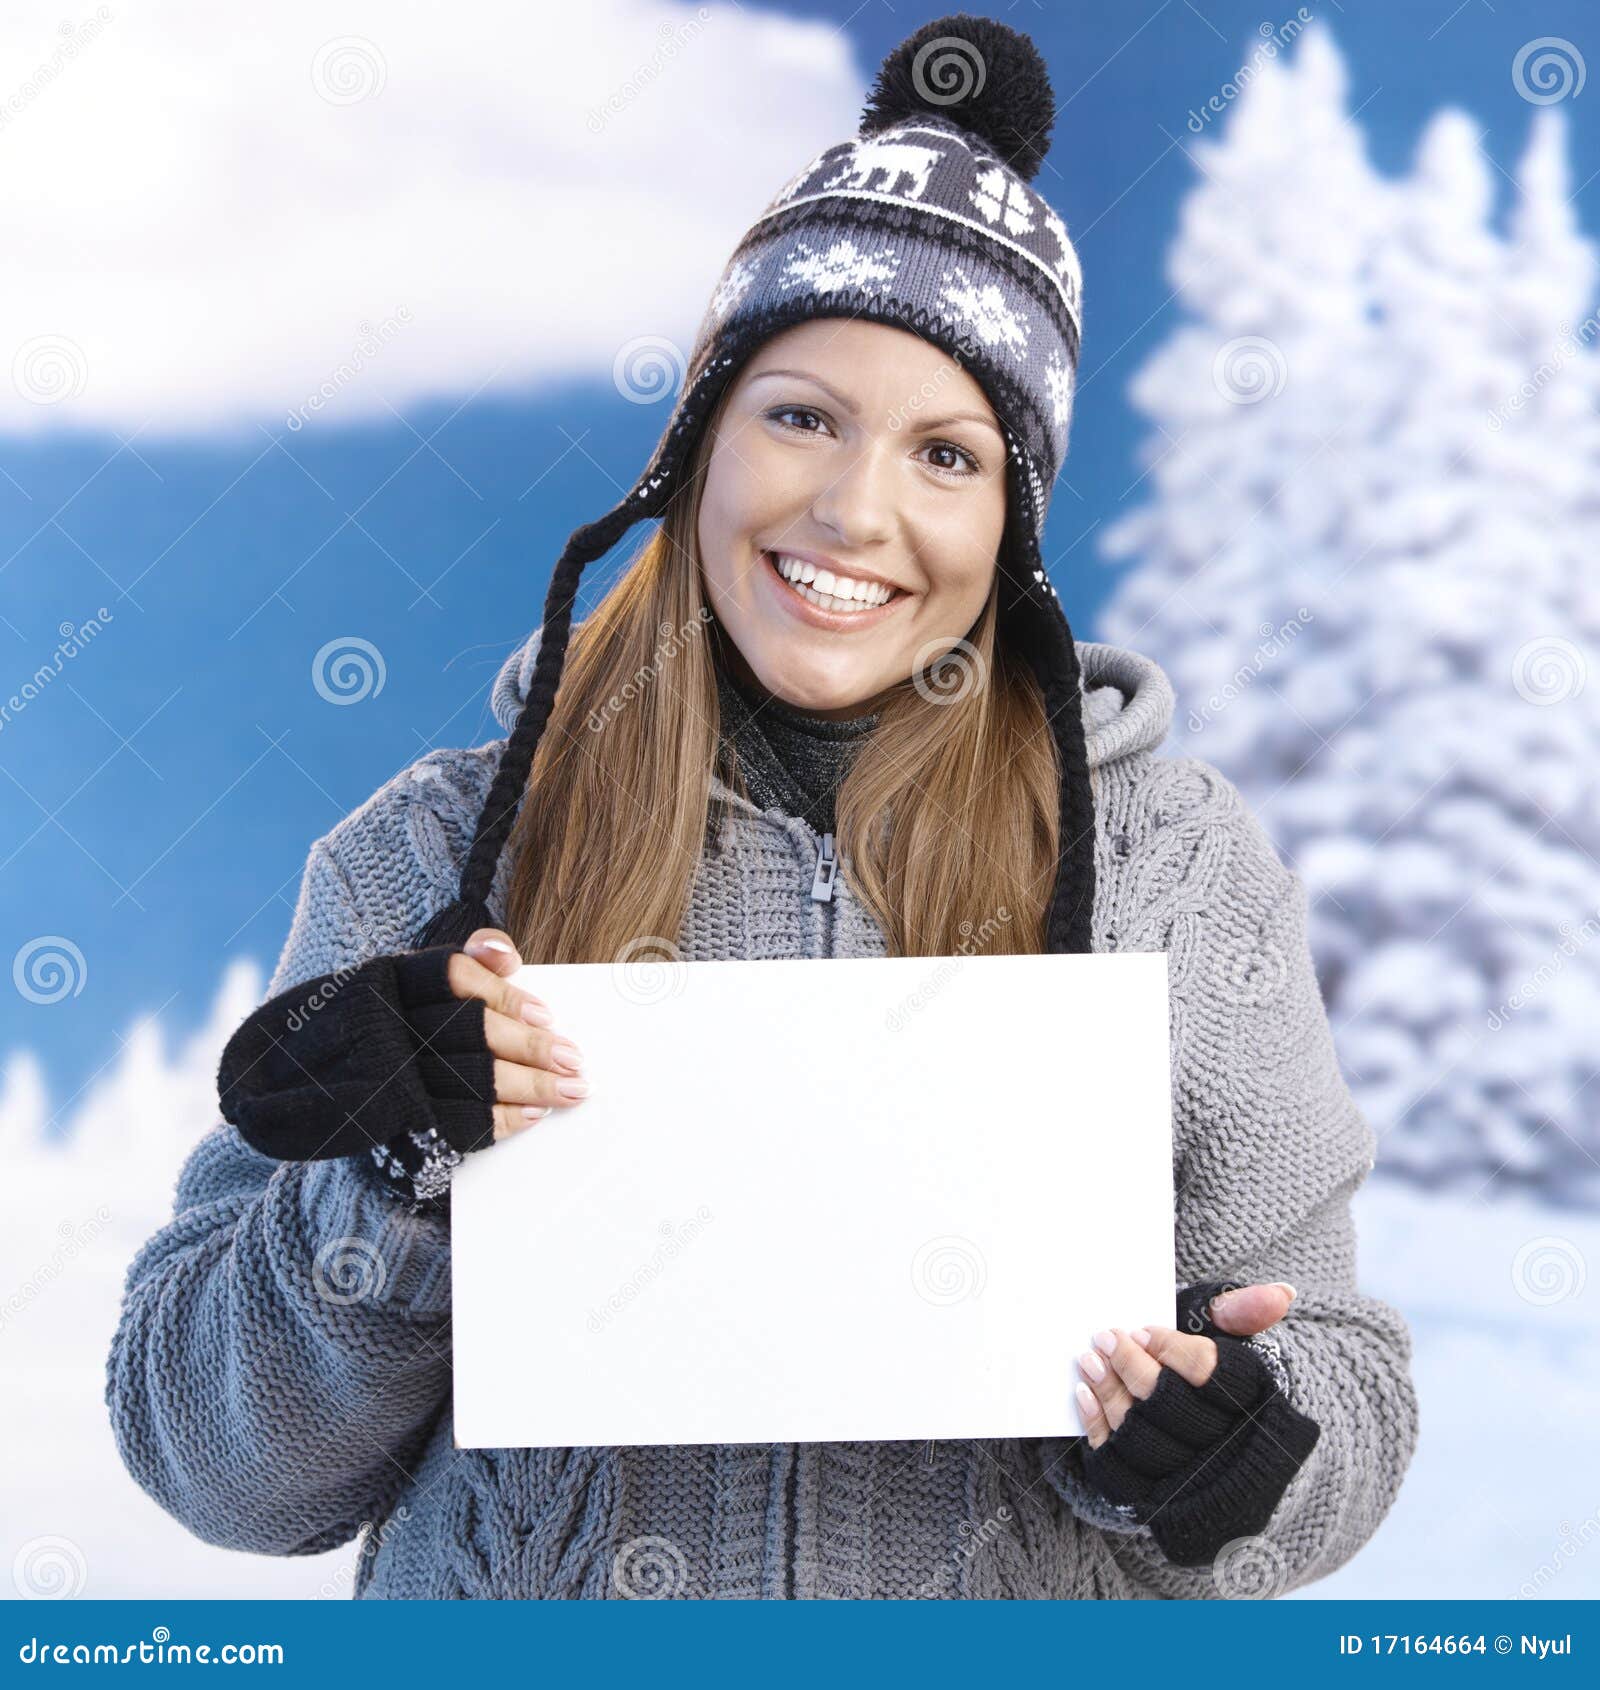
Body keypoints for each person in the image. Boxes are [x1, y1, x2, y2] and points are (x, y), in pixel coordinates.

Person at [104, 15, 1418, 1600]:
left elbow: (1341, 1369)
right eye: (801, 414)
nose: (855, 510)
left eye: (947, 452)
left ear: (1014, 524)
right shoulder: (436, 857)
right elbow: (209, 1462)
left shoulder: (1173, 866)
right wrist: (384, 1189)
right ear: (694, 451)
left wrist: (1240, 1443)